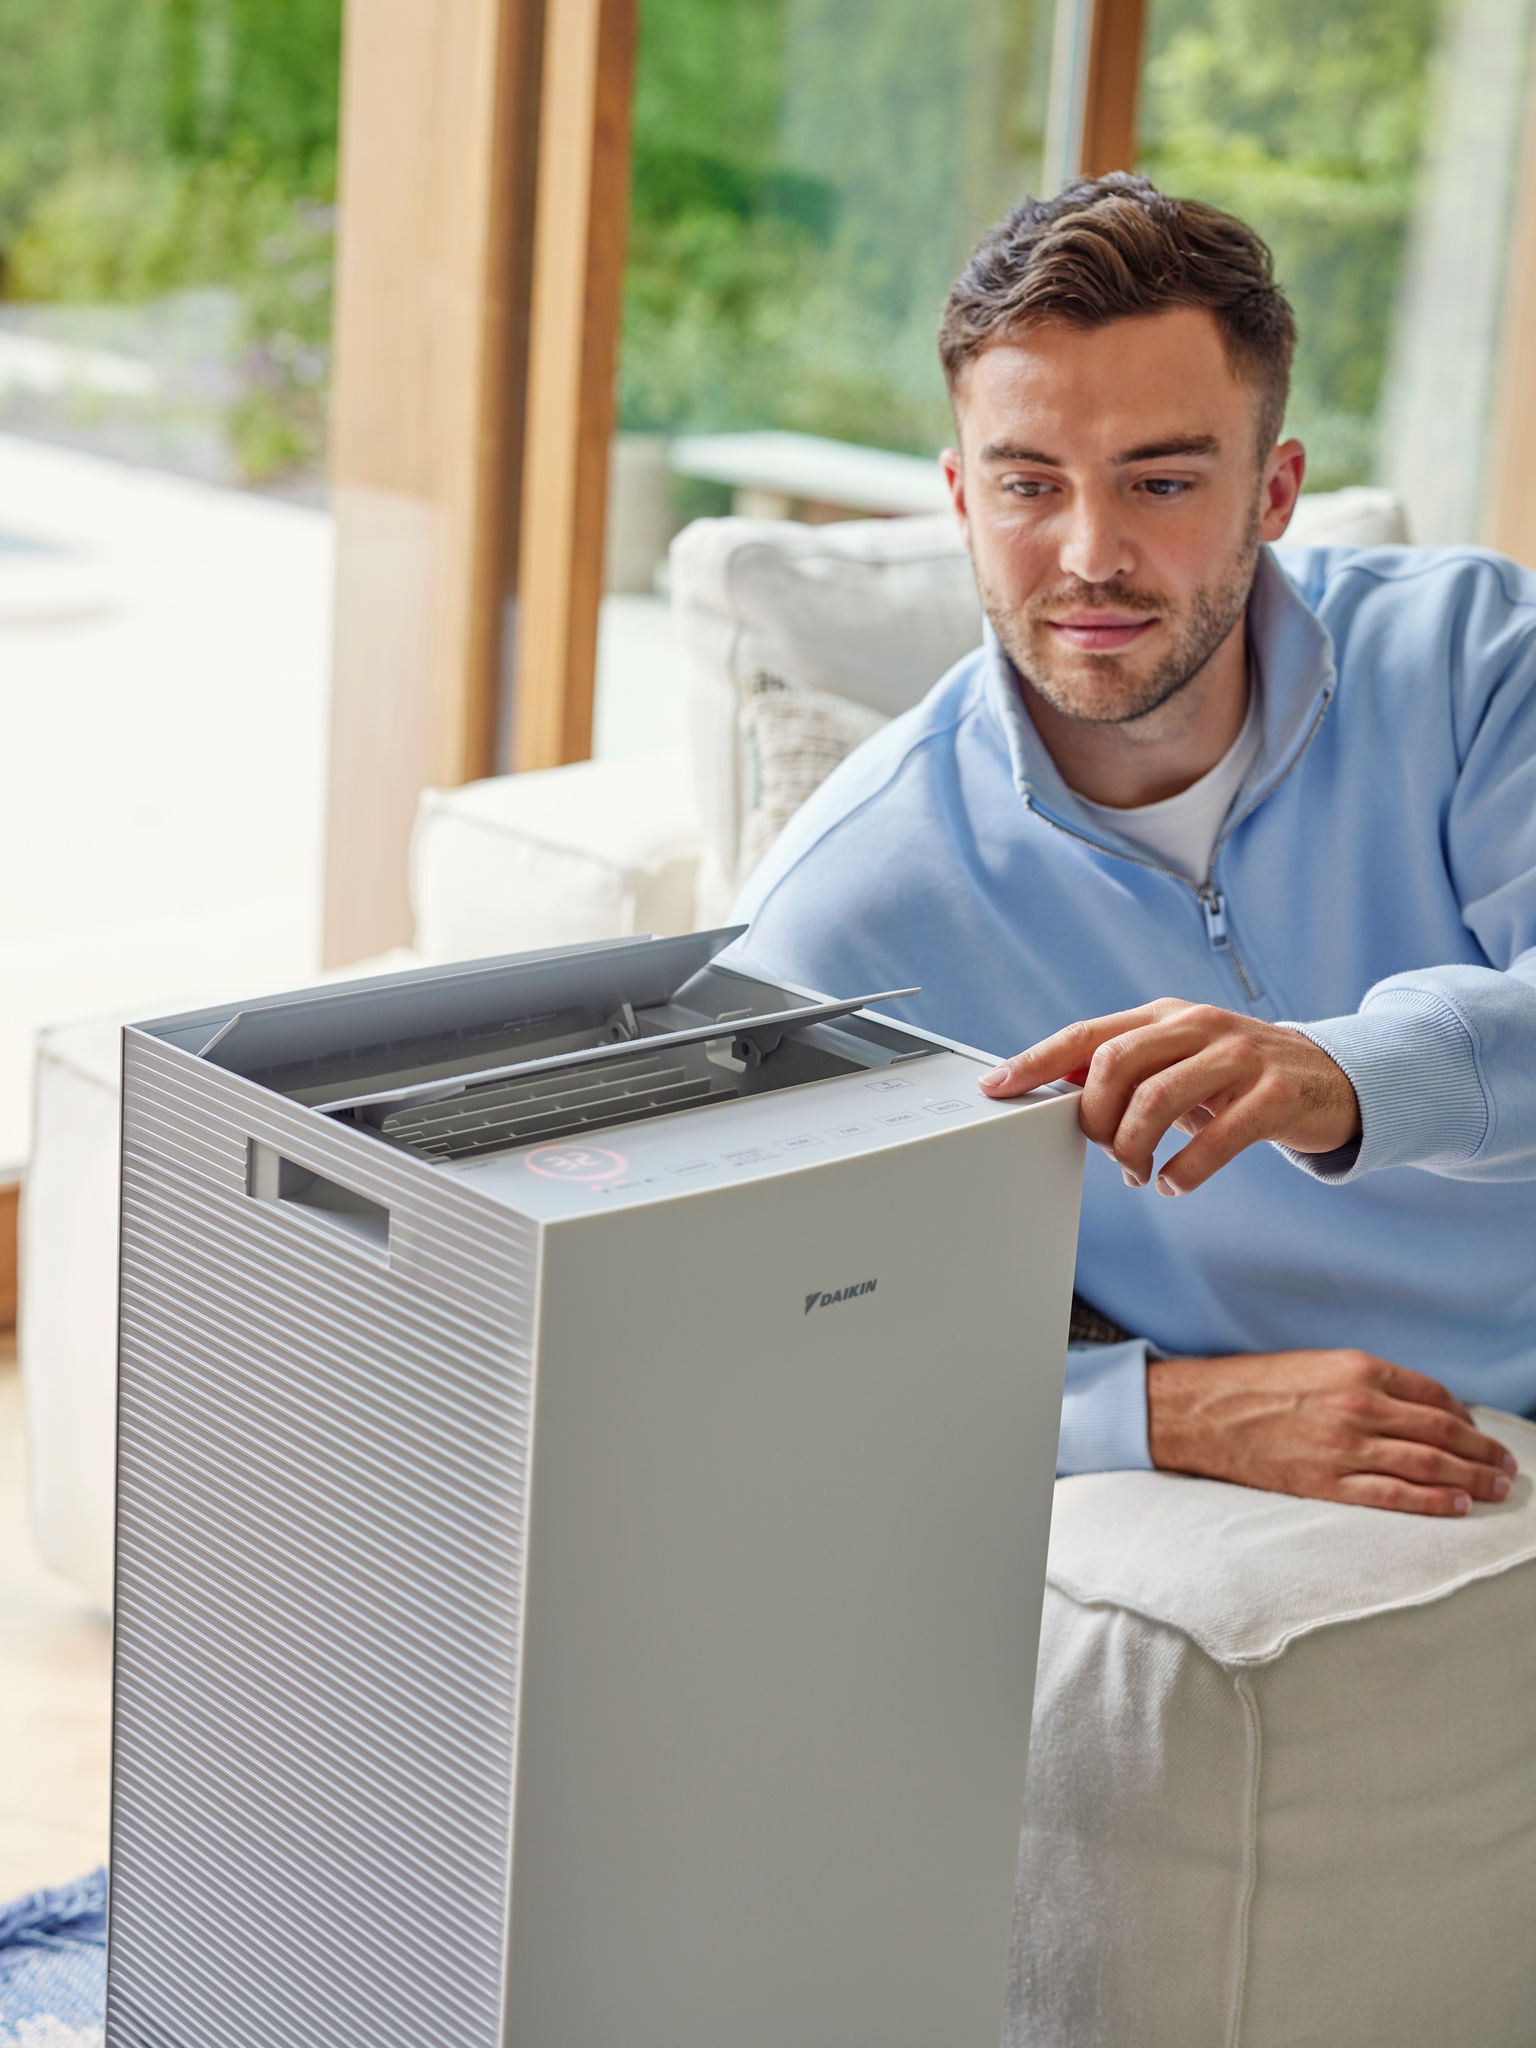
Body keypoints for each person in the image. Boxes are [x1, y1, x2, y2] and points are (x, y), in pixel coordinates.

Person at [731, 173, 1535, 1516]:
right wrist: (1154, 1410)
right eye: (1030, 485)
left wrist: (1344, 1073)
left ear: (1275, 490)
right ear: (959, 497)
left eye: (1160, 480)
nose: (1089, 555)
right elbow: (760, 1335)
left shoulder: (1475, 657)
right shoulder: (838, 915)